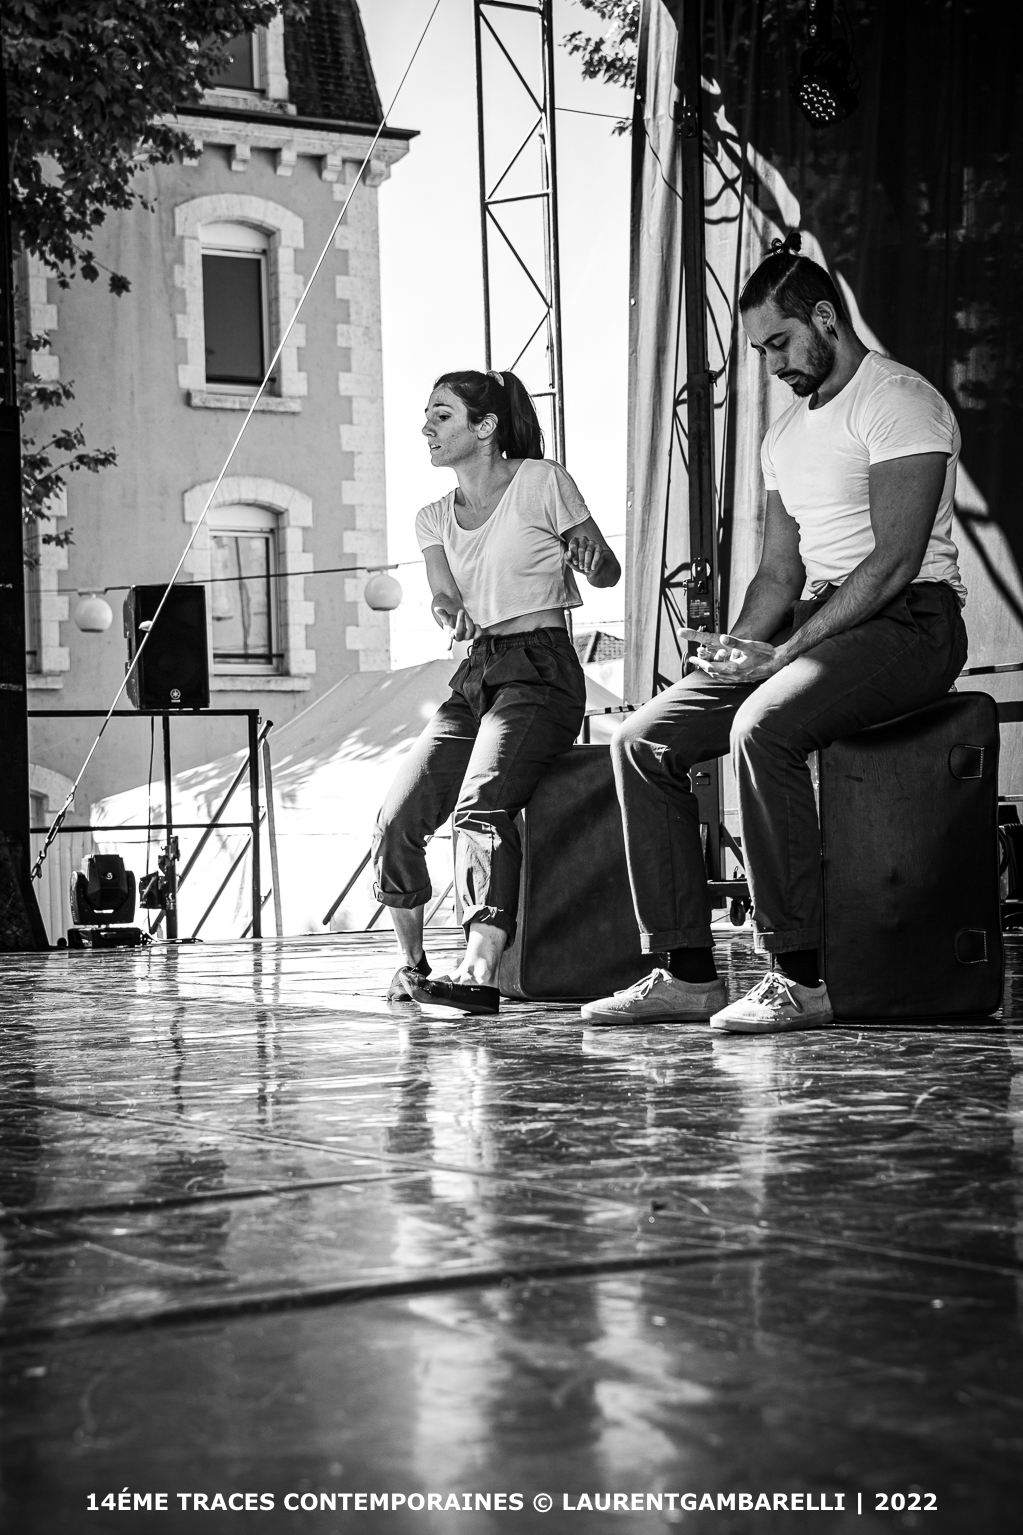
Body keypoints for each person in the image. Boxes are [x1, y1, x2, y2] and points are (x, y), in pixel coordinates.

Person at [584, 234, 967, 1034]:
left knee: (762, 727)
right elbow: (777, 574)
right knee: (643, 741)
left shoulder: (897, 400)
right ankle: (684, 973)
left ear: (824, 318)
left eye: (780, 343)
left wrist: (785, 654)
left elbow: (894, 561)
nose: (772, 364)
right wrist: (739, 647)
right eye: (759, 350)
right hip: (816, 626)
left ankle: (796, 977)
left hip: (910, 620)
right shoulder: (782, 435)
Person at [373, 368, 621, 1014]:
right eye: (426, 415)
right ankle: (413, 964)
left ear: (485, 427)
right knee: (397, 819)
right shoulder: (432, 517)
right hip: (475, 675)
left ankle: (479, 971)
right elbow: (442, 593)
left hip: (540, 669)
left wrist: (594, 561)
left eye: (442, 415)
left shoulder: (541, 481)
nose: (426, 427)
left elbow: (606, 570)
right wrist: (448, 610)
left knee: (479, 807)